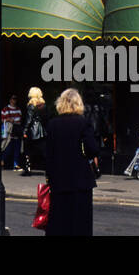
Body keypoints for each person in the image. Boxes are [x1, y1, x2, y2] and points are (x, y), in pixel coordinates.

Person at [43, 88, 100, 236]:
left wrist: (49, 177)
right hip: (81, 181)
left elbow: (48, 154)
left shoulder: (53, 124)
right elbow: (93, 149)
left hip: (59, 181)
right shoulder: (83, 123)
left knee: (60, 223)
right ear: (78, 104)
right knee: (80, 224)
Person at [22, 87, 47, 175]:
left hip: (32, 130)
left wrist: (24, 131)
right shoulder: (43, 105)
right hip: (42, 130)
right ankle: (49, 167)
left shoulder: (31, 105)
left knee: (28, 150)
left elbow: (29, 120)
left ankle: (27, 169)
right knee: (44, 150)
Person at [1, 94, 23, 170]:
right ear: (10, 100)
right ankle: (2, 160)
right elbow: (1, 120)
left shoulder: (18, 109)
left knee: (17, 148)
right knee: (7, 147)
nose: (14, 100)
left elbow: (20, 120)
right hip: (9, 131)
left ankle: (16, 164)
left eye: (15, 99)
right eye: (13, 99)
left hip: (17, 131)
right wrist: (8, 120)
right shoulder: (5, 109)